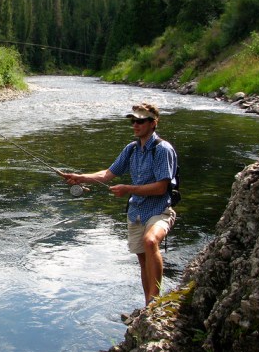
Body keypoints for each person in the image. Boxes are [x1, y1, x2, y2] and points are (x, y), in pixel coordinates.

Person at [60, 103, 177, 306]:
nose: (135, 125)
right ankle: (147, 303)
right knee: (143, 261)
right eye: (133, 121)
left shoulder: (162, 150)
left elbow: (161, 187)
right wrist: (80, 177)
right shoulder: (131, 149)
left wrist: (128, 189)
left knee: (151, 242)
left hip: (160, 210)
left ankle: (154, 301)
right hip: (136, 211)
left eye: (140, 121)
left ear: (153, 123)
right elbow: (107, 174)